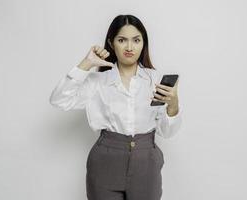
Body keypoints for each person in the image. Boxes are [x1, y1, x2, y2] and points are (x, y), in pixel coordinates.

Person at [49, 14, 183, 200]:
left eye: (136, 40)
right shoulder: (97, 81)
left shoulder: (155, 80)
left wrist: (173, 105)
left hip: (146, 162)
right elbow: (58, 100)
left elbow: (166, 132)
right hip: (105, 161)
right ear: (112, 43)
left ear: (143, 43)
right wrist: (86, 63)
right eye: (122, 40)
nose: (129, 47)